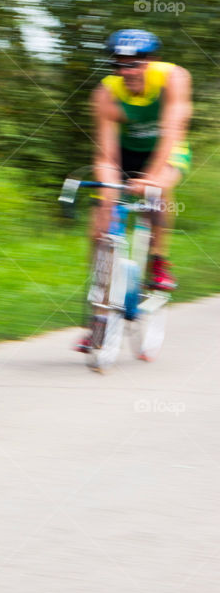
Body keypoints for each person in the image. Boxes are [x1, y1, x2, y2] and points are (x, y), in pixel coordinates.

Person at [75, 29, 192, 353]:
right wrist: (108, 193)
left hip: (166, 149)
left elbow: (172, 132)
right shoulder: (106, 94)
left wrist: (151, 178)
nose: (127, 72)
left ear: (150, 62)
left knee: (161, 186)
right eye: (119, 64)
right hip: (125, 153)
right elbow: (106, 154)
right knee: (100, 223)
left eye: (134, 64)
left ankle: (158, 260)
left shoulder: (173, 78)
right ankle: (98, 321)